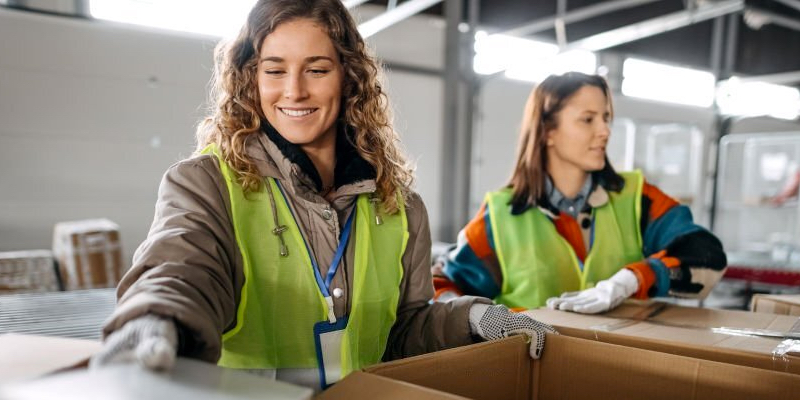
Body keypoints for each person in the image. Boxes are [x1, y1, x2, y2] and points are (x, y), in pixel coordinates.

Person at [89, 0, 555, 391]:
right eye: (275, 70)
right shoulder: (206, 183)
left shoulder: (399, 207)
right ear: (251, 79)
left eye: (316, 69)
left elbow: (406, 327)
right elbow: (182, 270)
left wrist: (475, 317)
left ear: (348, 78)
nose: (294, 90)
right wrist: (153, 319)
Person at [434, 72, 727, 314]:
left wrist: (632, 279)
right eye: (588, 119)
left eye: (606, 118)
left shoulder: (637, 199)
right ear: (548, 130)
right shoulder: (499, 217)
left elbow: (707, 255)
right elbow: (442, 285)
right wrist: (476, 316)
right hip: (525, 373)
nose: (605, 131)